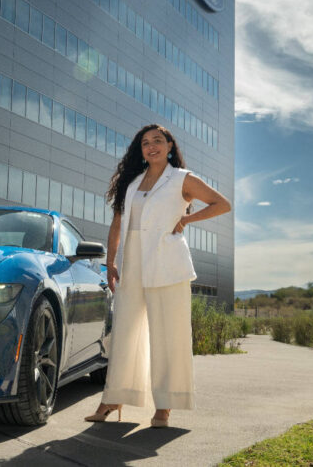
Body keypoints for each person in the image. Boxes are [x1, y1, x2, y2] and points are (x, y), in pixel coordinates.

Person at [85, 124, 231, 427]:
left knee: (169, 335)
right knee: (124, 331)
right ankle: (113, 398)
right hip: (132, 264)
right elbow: (117, 223)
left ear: (169, 146)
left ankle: (165, 405)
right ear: (141, 150)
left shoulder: (182, 179)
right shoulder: (132, 182)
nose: (151, 146)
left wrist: (187, 219)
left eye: (157, 141)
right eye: (145, 143)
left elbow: (222, 204)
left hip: (167, 263)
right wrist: (111, 262)